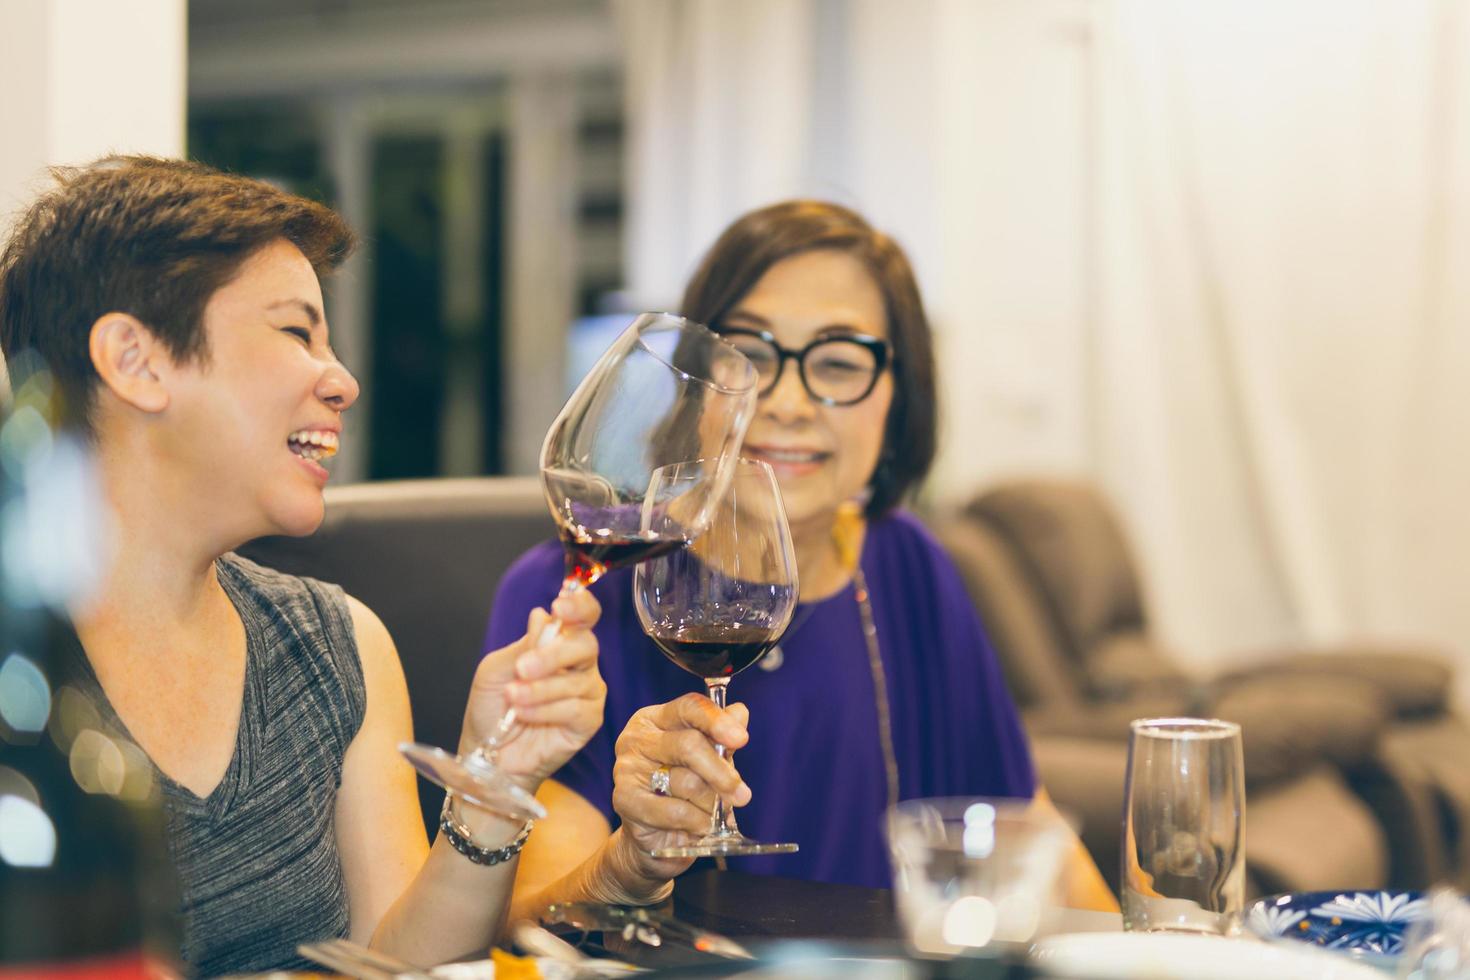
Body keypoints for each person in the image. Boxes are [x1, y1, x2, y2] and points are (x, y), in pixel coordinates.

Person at [0, 156, 607, 975]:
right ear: (136, 360)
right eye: (296, 332)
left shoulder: (337, 642)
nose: (345, 381)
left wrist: (490, 785)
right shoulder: (22, 678)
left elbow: (392, 965)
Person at [487, 200, 1116, 918]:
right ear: (697, 385)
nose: (786, 401)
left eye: (839, 362)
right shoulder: (570, 593)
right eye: (751, 355)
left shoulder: (914, 568)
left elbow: (1037, 849)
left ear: (898, 397)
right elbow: (524, 926)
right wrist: (630, 865)